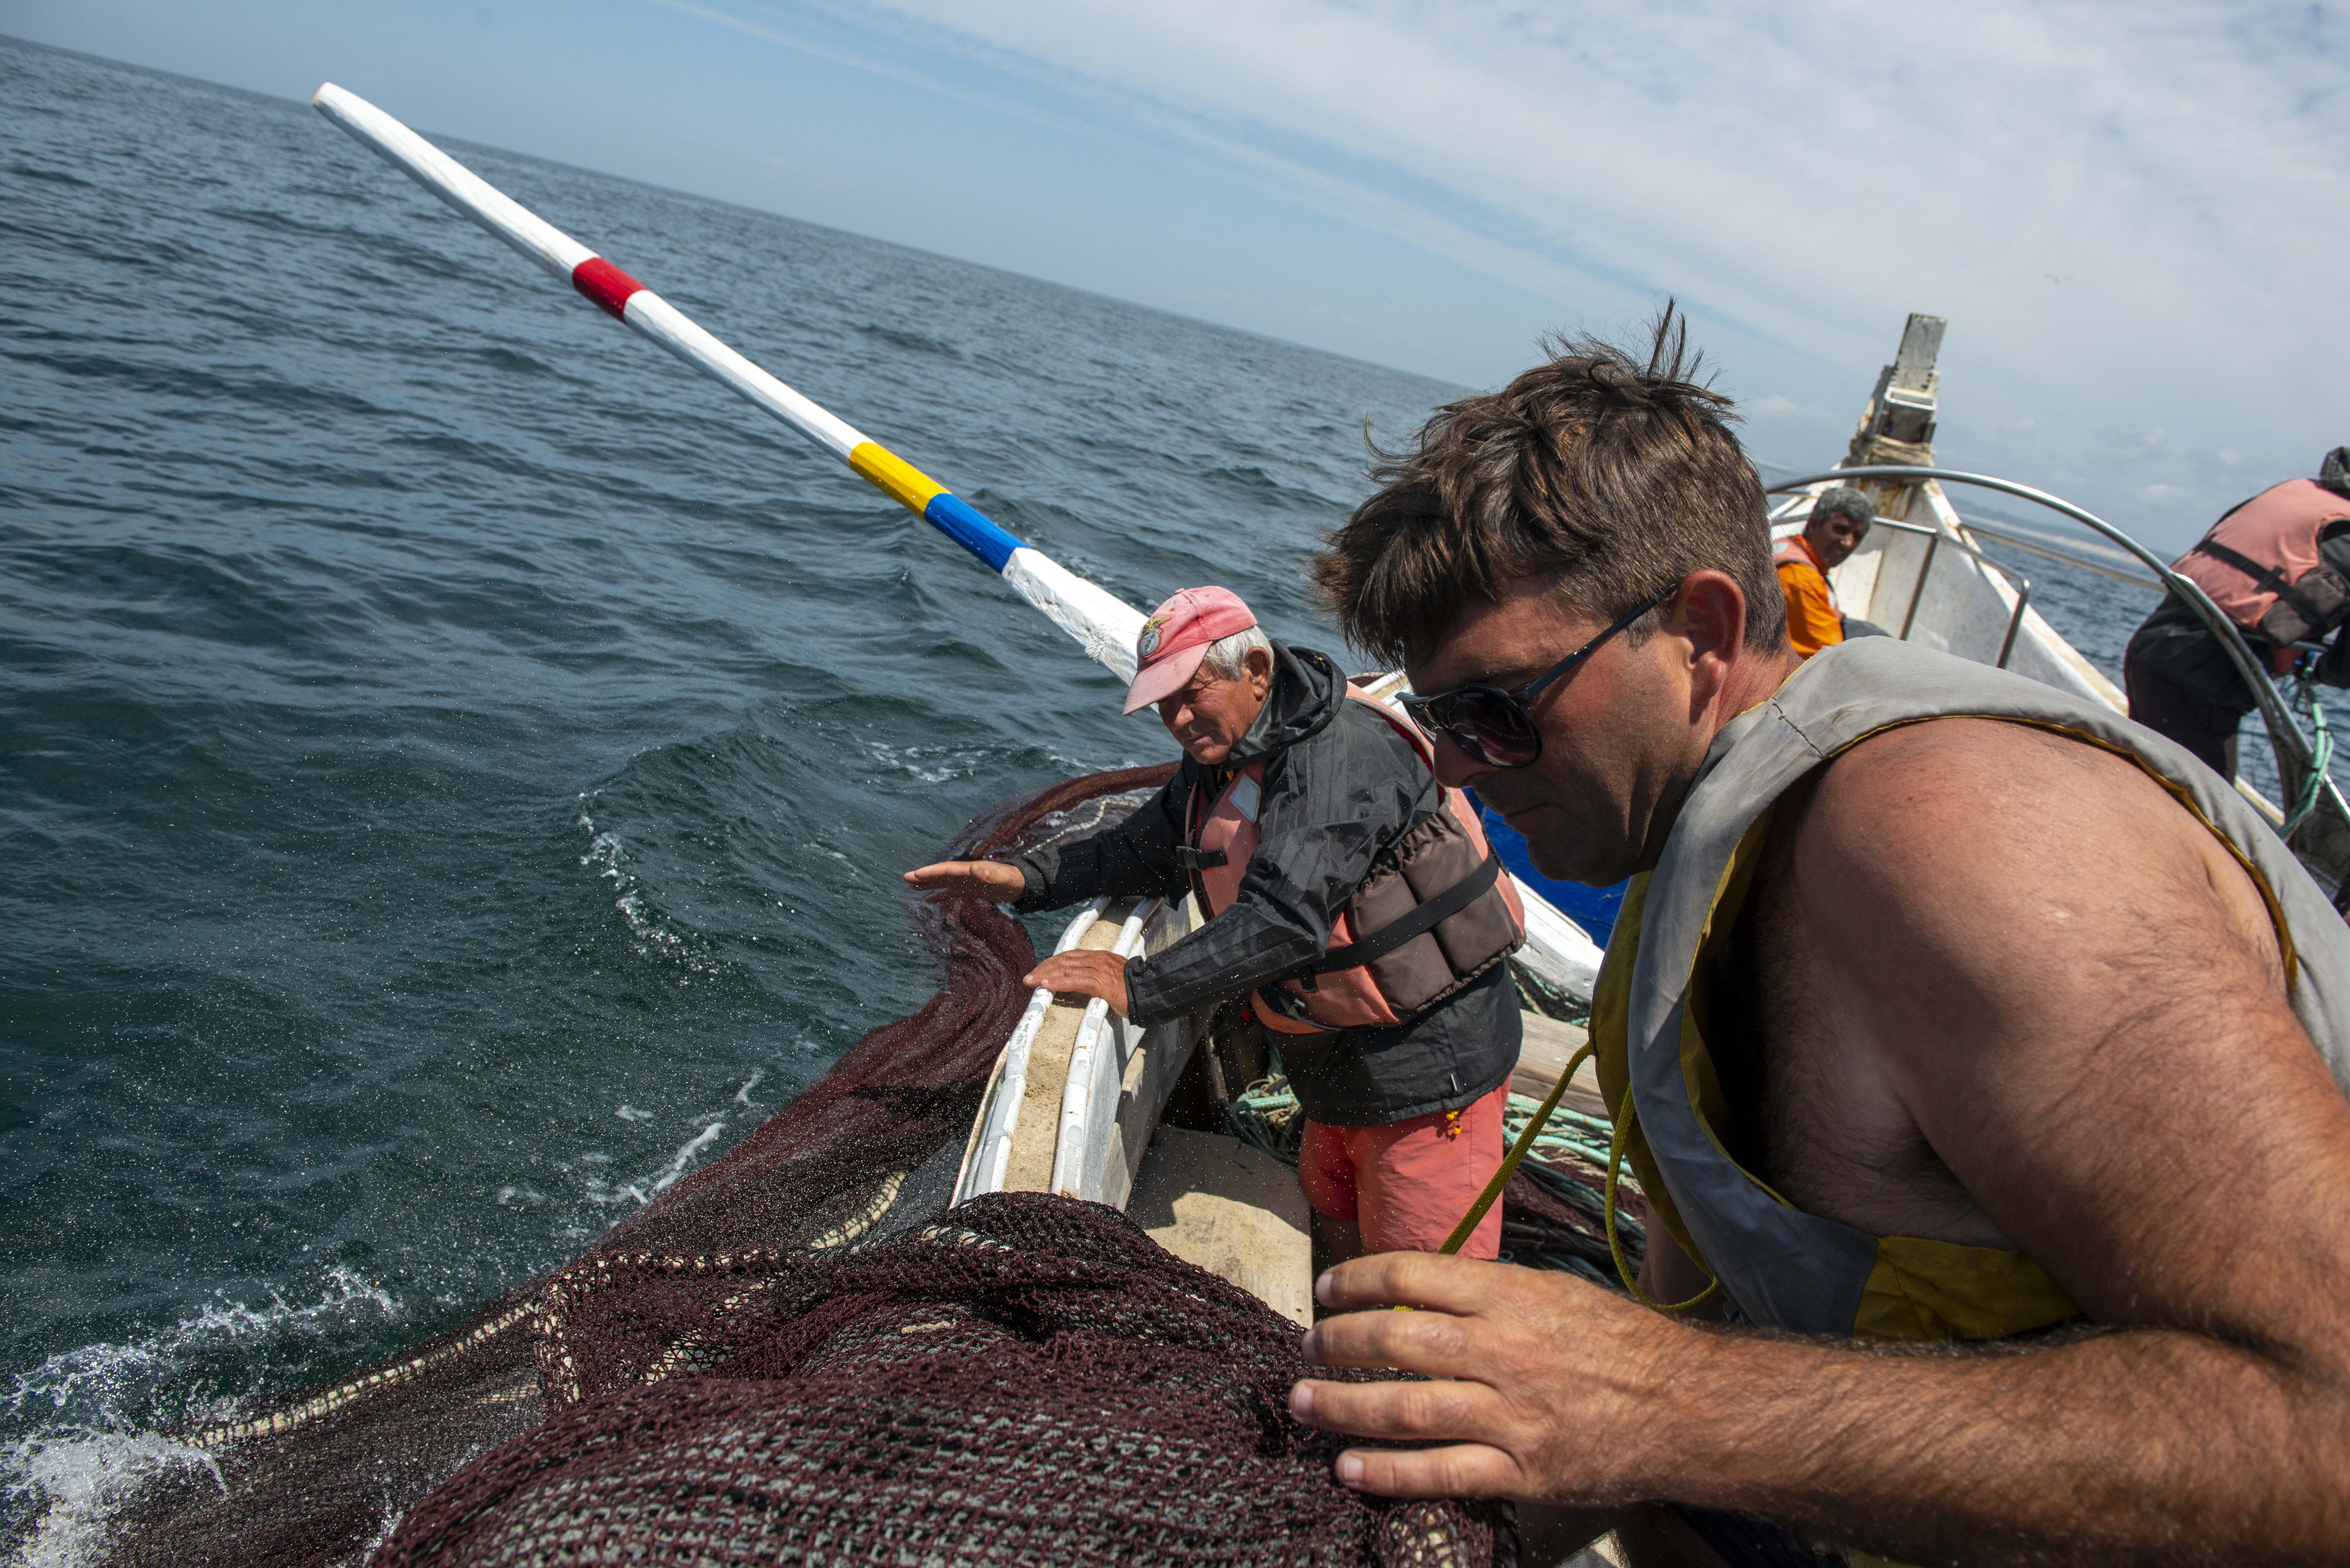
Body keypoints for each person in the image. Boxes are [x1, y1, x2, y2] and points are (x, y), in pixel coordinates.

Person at [1286, 314, 2350, 1567]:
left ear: (1702, 629)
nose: (1456, 760)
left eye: (1496, 711)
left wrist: (1664, 1406)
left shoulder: (1951, 846)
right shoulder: (1683, 841)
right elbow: (1697, 1310)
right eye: (1433, 713)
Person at [905, 586, 1527, 1260]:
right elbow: (1140, 846)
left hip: (1431, 1074)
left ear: (1256, 669)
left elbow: (1285, 920)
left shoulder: (1337, 755)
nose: (1177, 717)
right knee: (1334, 1219)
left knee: (1423, 1297)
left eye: (1190, 692)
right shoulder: (1230, 751)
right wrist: (1027, 878)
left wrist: (1141, 985)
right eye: (1163, 703)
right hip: (1341, 1067)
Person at [2123, 449, 2350, 777]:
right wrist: (2317, 670)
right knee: (2207, 819)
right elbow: (2341, 669)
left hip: (2148, 652)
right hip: (2202, 681)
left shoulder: (2296, 492)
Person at [1774, 486, 1871, 657]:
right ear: (1813, 523)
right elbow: (1833, 658)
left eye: (1857, 536)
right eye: (1841, 530)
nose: (1848, 543)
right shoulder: (1801, 578)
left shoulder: (1791, 547)